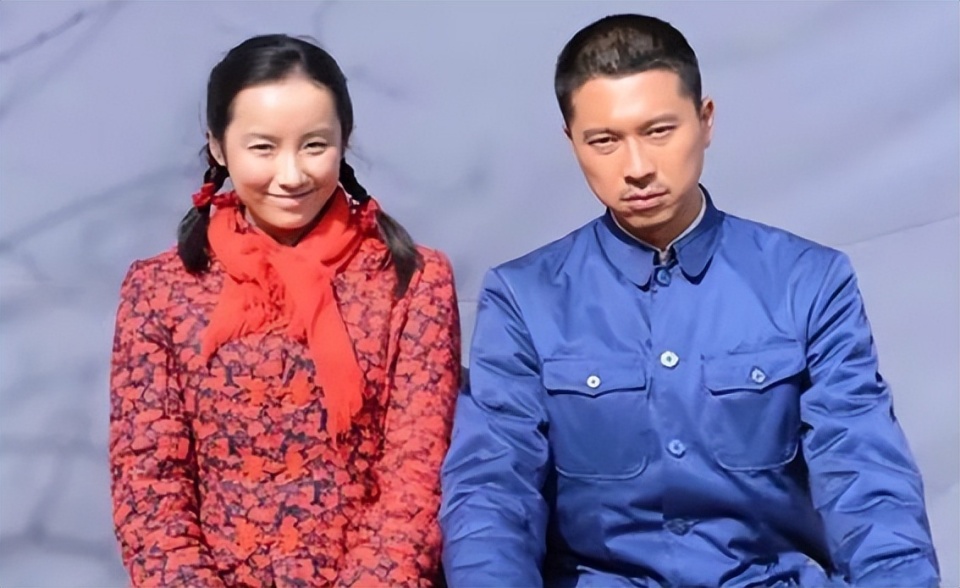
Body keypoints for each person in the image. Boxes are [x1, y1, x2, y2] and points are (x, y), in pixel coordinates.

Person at [440, 14, 938, 587]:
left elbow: (866, 479)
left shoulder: (808, 281)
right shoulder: (525, 298)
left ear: (705, 122)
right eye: (604, 140)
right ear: (572, 142)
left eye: (659, 131)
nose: (636, 168)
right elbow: (492, 493)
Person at [109, 34, 460, 587]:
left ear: (344, 140)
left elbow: (415, 481)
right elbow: (149, 486)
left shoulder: (411, 280)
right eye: (263, 148)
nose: (291, 174)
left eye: (314, 145)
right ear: (218, 147)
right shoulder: (160, 288)